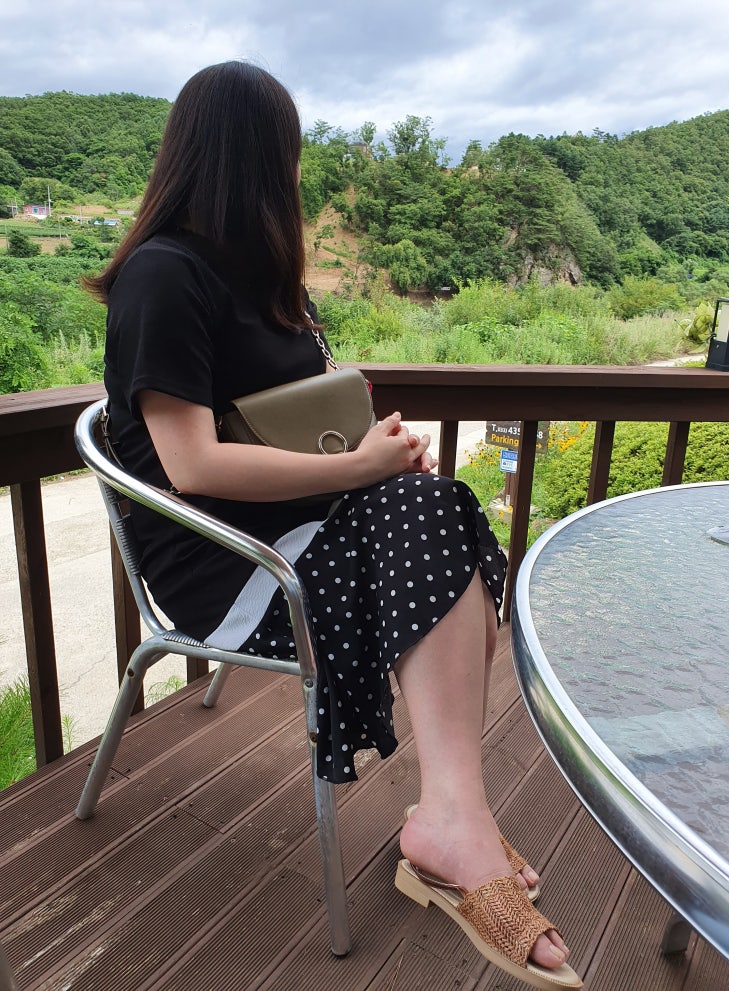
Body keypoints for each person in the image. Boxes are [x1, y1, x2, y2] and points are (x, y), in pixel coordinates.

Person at [87, 61, 581, 990]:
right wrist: (357, 470)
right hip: (233, 568)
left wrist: (370, 451)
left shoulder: (265, 284)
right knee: (433, 520)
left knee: (436, 508)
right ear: (258, 159)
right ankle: (452, 820)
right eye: (289, 154)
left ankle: (452, 814)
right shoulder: (163, 277)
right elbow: (191, 465)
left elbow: (303, 417)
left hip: (306, 530)